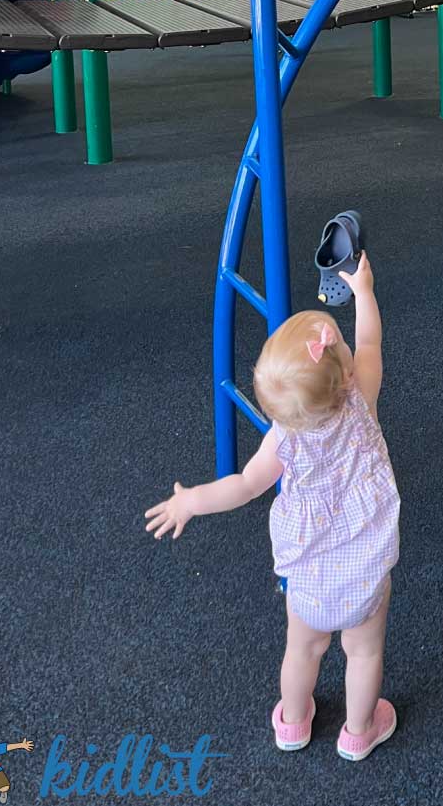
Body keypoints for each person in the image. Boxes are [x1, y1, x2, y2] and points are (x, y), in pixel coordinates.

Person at [145, 255, 399, 762]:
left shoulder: (283, 441)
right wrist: (364, 291)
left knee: (302, 649)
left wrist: (190, 501)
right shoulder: (361, 400)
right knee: (364, 651)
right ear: (346, 372)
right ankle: (359, 729)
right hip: (364, 571)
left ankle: (294, 722)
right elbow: (370, 342)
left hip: (308, 576)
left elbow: (242, 486)